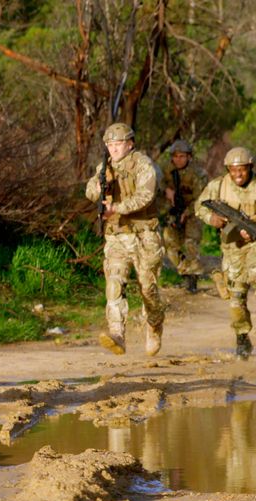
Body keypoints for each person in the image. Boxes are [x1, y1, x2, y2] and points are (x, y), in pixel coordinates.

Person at [195, 147, 256, 361]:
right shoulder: (219, 185)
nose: (237, 175)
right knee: (236, 296)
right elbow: (200, 206)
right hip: (232, 247)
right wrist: (212, 219)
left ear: (250, 168)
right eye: (233, 170)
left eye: (242, 170)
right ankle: (242, 336)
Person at [85, 122, 165, 357]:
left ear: (130, 144)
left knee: (148, 289)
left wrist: (117, 208)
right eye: (110, 144)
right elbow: (89, 190)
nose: (114, 149)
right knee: (114, 283)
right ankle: (117, 333)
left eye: (118, 144)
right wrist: (101, 186)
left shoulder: (143, 164)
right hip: (117, 236)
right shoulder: (105, 166)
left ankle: (154, 324)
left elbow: (146, 196)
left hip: (144, 236)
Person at [160, 139, 211, 294]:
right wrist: (166, 190)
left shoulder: (198, 173)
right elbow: (157, 183)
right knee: (170, 245)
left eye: (182, 156)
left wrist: (187, 213)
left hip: (193, 211)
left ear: (189, 157)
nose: (178, 160)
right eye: (175, 156)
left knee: (190, 243)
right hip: (174, 211)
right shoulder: (167, 170)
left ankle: (192, 279)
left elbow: (200, 199)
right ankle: (185, 270)